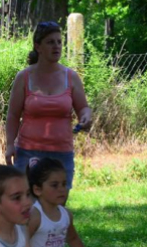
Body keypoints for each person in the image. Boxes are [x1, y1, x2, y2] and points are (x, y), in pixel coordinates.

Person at [5, 21, 92, 188]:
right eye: (50, 42)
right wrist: (10, 145)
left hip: (62, 154)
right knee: (28, 209)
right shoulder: (24, 77)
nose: (56, 46)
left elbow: (83, 108)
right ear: (38, 46)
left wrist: (86, 117)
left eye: (59, 42)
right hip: (28, 153)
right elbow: (13, 115)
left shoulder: (71, 77)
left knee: (57, 209)